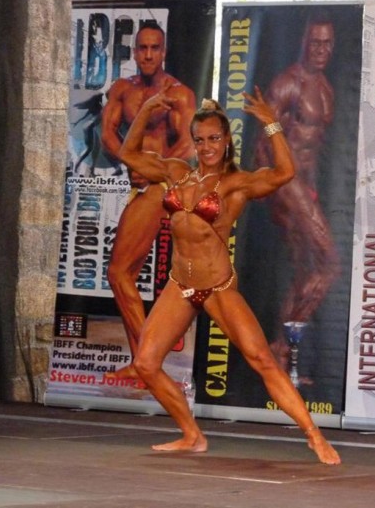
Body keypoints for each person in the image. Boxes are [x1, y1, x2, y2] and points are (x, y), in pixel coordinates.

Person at [116, 83, 342, 465]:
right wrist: (147, 109)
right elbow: (128, 154)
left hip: (217, 286)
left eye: (214, 139)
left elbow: (285, 172)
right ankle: (191, 435)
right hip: (180, 284)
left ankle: (313, 435)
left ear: (226, 141)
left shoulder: (235, 184)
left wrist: (271, 123)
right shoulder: (176, 172)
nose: (206, 147)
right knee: (145, 363)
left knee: (262, 359)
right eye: (200, 139)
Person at [100, 21, 196, 378]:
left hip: (160, 187)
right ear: (135, 52)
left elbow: (189, 143)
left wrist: (155, 169)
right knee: (127, 275)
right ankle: (141, 366)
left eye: (155, 48)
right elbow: (107, 134)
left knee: (117, 272)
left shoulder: (178, 94)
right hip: (138, 182)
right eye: (143, 48)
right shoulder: (123, 90)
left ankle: (147, 363)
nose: (149, 54)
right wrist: (132, 163)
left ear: (164, 51)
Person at [254, 13, 340, 377]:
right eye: (315, 42)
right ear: (304, 43)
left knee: (305, 271)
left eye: (327, 43)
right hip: (286, 184)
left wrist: (313, 191)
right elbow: (263, 142)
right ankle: (282, 346)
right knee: (329, 265)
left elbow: (314, 147)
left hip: (306, 187)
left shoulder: (325, 87)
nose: (321, 50)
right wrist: (271, 190)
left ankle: (280, 351)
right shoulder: (288, 83)